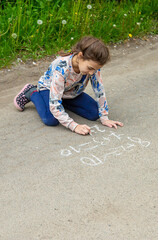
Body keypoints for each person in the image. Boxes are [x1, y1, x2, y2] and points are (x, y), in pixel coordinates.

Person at [14, 36, 123, 135]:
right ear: (80, 56)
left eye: (95, 69)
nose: (92, 73)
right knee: (50, 119)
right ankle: (32, 92)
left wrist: (104, 117)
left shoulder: (92, 67)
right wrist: (74, 126)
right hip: (49, 89)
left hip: (70, 92)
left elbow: (99, 90)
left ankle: (62, 104)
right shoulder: (62, 68)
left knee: (94, 113)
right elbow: (55, 104)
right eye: (90, 68)